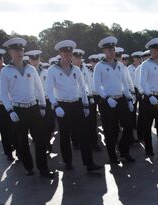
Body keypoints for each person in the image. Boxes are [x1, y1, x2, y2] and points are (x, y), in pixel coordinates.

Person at [0, 37, 57, 178]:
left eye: (21, 50)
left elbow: (39, 89)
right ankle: (28, 167)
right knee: (22, 141)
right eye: (15, 50)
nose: (19, 53)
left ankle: (43, 168)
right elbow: (3, 93)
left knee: (41, 140)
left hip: (33, 108)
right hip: (18, 110)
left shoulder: (31, 68)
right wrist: (10, 110)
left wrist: (43, 105)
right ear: (10, 52)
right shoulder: (6, 71)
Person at [46, 40, 103, 172]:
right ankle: (67, 161)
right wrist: (55, 105)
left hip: (77, 104)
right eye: (65, 52)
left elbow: (82, 88)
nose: (67, 55)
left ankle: (89, 163)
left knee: (84, 134)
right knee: (65, 135)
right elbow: (49, 90)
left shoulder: (76, 69)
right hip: (62, 106)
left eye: (69, 53)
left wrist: (86, 105)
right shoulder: (52, 70)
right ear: (60, 53)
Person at [93, 36, 135, 164]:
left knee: (128, 126)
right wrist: (106, 97)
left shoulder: (120, 65)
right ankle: (112, 156)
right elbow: (96, 86)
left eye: (113, 49)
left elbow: (124, 84)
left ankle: (124, 151)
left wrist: (129, 99)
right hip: (107, 102)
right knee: (110, 130)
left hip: (121, 99)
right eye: (108, 49)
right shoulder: (99, 66)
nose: (111, 52)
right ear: (104, 51)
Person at [26, 49, 55, 153]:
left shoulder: (46, 72)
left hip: (47, 100)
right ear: (29, 60)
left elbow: (52, 87)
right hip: (34, 103)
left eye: (37, 59)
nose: (35, 61)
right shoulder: (26, 73)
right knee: (38, 127)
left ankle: (46, 140)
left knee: (50, 125)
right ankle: (43, 143)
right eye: (33, 59)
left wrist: (53, 100)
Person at [80, 53, 101, 151]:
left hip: (89, 97)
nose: (95, 63)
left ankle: (94, 142)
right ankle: (81, 142)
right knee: (80, 123)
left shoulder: (85, 69)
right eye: (93, 61)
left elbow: (89, 83)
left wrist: (91, 96)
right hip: (77, 99)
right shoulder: (83, 69)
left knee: (92, 121)